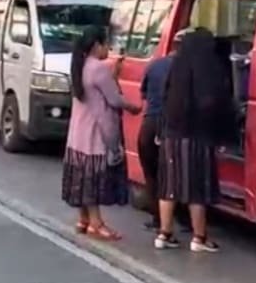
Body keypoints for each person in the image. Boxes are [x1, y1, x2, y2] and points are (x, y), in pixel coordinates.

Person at [156, 28, 231, 252]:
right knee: (196, 188)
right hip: (198, 138)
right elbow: (218, 105)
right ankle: (199, 238)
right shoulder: (210, 71)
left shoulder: (176, 69)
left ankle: (164, 234)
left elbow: (164, 100)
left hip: (171, 135)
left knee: (169, 186)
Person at [62, 27, 138, 241]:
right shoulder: (99, 68)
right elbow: (113, 100)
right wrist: (133, 107)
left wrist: (112, 74)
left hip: (78, 131)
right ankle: (97, 223)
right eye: (106, 44)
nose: (109, 48)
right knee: (93, 178)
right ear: (96, 45)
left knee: (81, 175)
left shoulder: (81, 65)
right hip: (95, 130)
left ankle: (83, 219)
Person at [136, 30, 184, 227]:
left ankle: (157, 218)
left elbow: (144, 94)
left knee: (152, 173)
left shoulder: (154, 64)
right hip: (171, 127)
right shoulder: (187, 69)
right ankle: (180, 220)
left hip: (149, 125)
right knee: (174, 174)